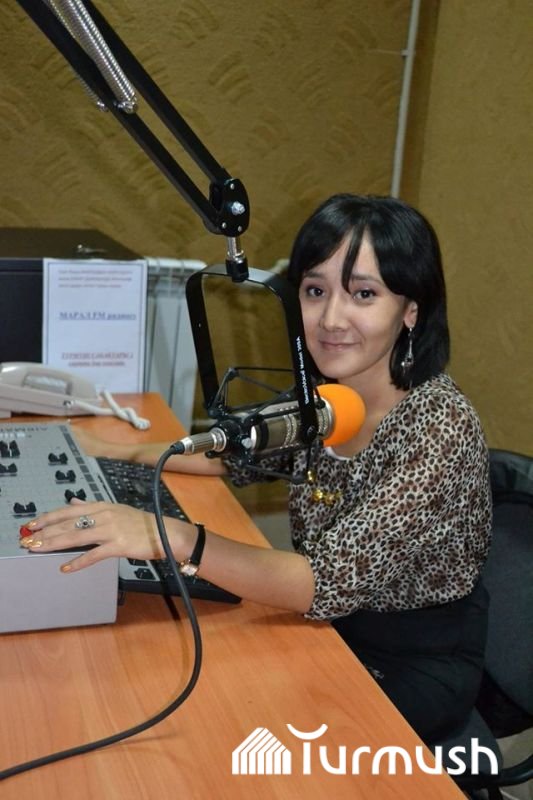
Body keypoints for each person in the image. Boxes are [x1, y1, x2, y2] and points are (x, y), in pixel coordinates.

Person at [20, 194, 492, 745]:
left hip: (411, 660)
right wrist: (114, 450)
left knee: (234, 733)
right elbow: (234, 453)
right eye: (315, 291)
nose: (331, 319)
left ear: (411, 309)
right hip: (324, 625)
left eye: (363, 294)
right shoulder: (329, 397)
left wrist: (172, 536)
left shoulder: (440, 427)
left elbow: (322, 582)